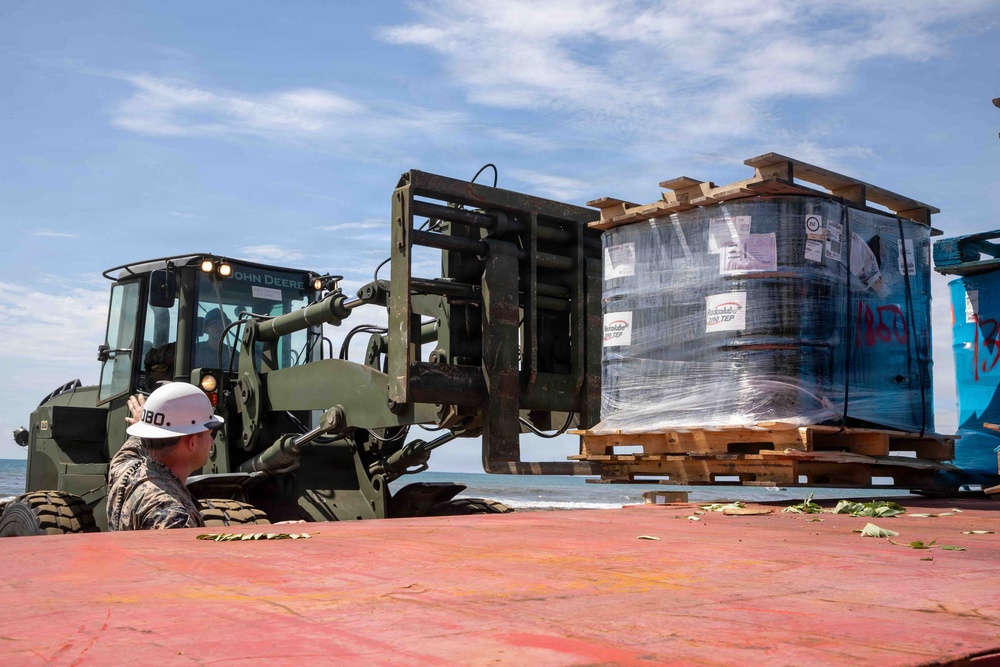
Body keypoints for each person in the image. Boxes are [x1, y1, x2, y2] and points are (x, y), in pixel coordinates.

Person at [106, 382, 223, 530]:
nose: (212, 440)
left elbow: (129, 451)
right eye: (209, 434)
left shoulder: (123, 469)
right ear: (192, 442)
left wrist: (150, 424)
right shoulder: (175, 518)